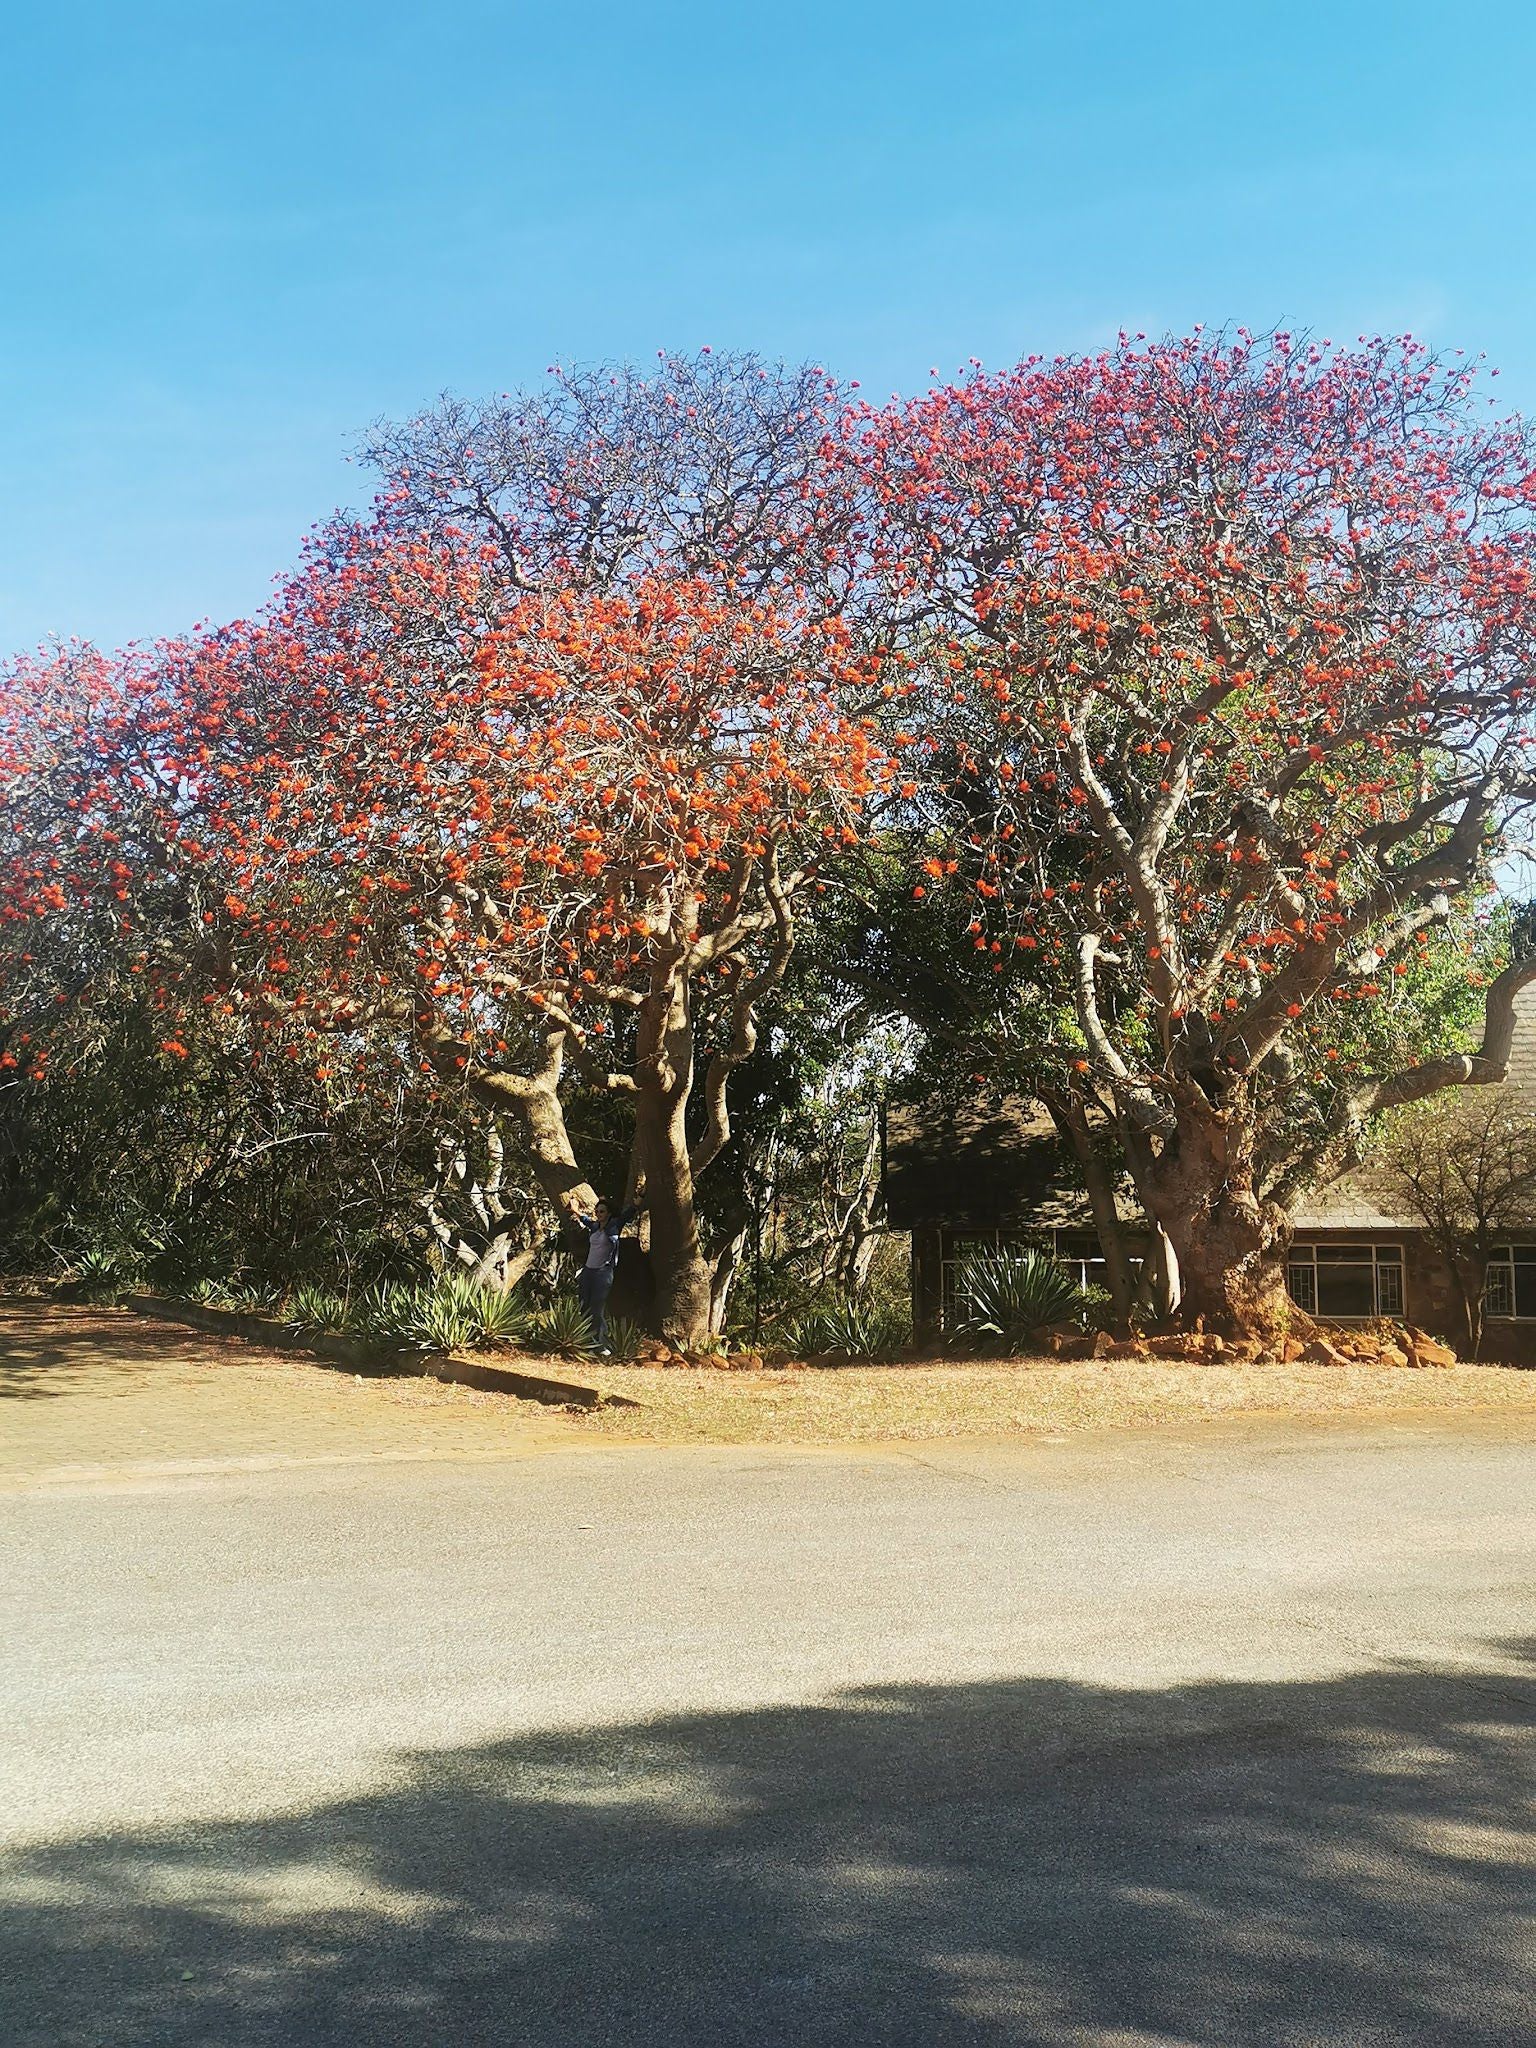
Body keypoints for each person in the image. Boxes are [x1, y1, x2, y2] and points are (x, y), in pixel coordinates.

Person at [572, 1197, 637, 1353]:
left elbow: (628, 1214)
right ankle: (586, 1341)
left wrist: (638, 1200)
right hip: (588, 1271)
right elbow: (585, 1219)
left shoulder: (614, 1225)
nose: (599, 1214)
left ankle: (601, 1345)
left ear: (608, 1214)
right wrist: (574, 1210)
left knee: (597, 1308)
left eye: (602, 1212)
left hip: (603, 1272)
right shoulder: (594, 1227)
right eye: (597, 1211)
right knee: (584, 1306)